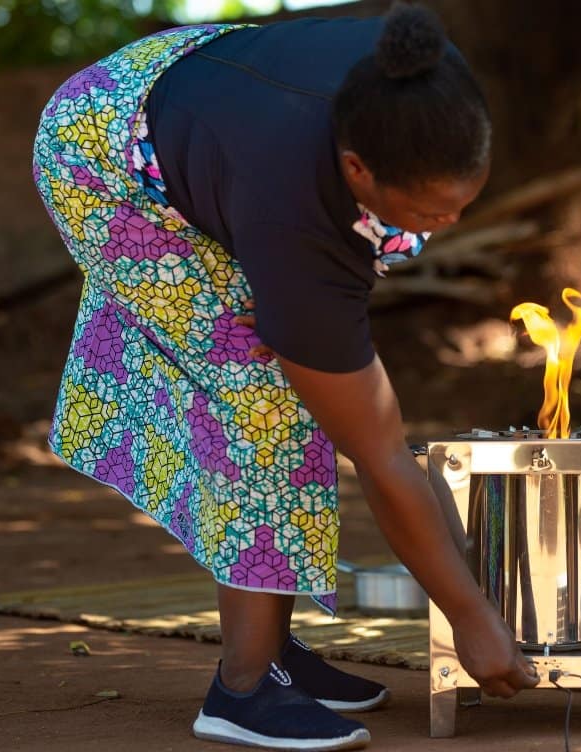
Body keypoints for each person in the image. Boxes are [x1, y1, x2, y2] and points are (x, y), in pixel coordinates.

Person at [33, 6, 537, 750]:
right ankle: (242, 688)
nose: (450, 223)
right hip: (102, 155)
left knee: (286, 382)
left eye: (465, 199)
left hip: (209, 101)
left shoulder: (427, 87)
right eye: (431, 209)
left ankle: (275, 652)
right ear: (357, 170)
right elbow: (380, 449)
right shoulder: (294, 214)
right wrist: (472, 617)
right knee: (265, 403)